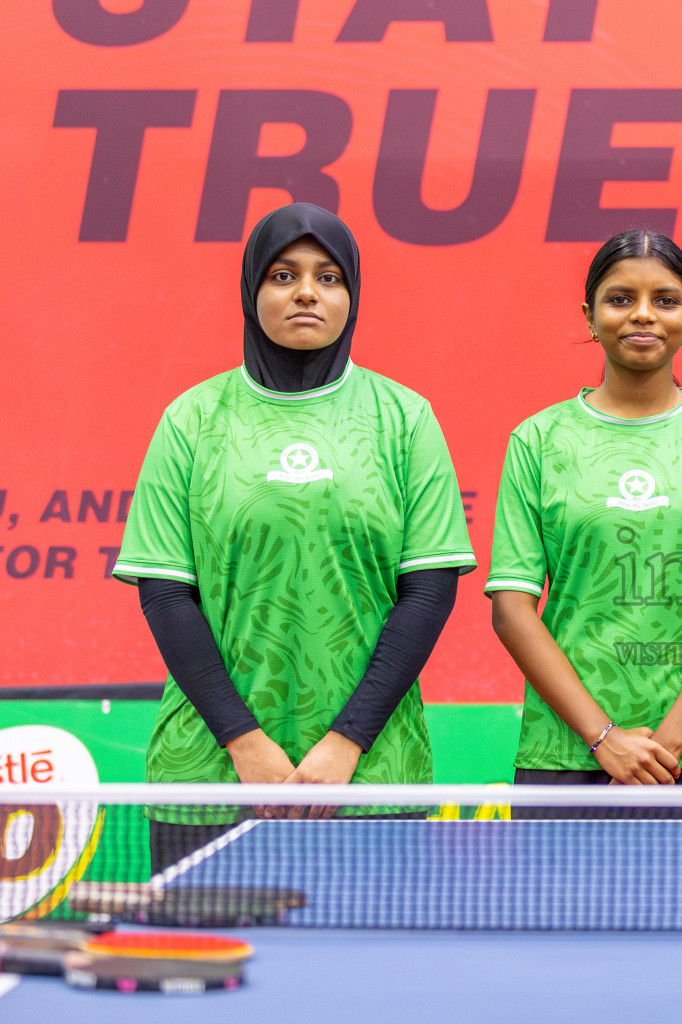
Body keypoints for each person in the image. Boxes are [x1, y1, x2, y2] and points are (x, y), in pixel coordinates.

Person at [115, 203, 476, 869]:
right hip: (210, 777)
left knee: (369, 977)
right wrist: (243, 741)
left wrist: (347, 741)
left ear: (353, 295)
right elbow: (166, 596)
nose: (307, 292)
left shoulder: (404, 418)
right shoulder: (191, 419)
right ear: (253, 291)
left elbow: (426, 595)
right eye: (283, 274)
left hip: (371, 779)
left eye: (329, 277)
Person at [486, 230, 682, 811]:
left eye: (665, 300)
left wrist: (660, 749)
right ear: (591, 316)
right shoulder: (538, 440)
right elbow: (512, 610)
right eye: (620, 298)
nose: (643, 314)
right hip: (564, 753)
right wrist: (604, 739)